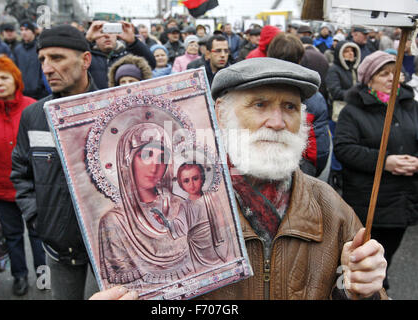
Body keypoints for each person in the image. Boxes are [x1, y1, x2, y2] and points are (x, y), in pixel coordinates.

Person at [93, 57, 388, 300]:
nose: (277, 122)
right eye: (260, 104)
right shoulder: (178, 206)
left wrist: (359, 291)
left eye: (290, 107)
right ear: (220, 114)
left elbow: (365, 291)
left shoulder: (329, 207)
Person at [11, 25, 98, 300]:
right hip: (58, 247)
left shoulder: (113, 108)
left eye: (57, 58)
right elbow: (20, 173)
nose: (47, 68)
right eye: (42, 60)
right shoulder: (34, 116)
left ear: (85, 60)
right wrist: (39, 219)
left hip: (111, 250)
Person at [333, 50, 418, 290]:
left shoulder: (411, 106)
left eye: (396, 73)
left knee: (385, 260)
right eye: (384, 73)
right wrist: (385, 161)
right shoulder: (353, 111)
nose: (393, 78)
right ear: (368, 79)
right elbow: (344, 149)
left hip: (403, 200)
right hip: (369, 201)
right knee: (363, 264)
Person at [0, 55, 45, 296]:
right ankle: (20, 276)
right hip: (1, 191)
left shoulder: (34, 107)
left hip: (34, 189)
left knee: (39, 234)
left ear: (15, 79)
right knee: (13, 236)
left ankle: (44, 276)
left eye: (4, 77)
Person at [98, 123, 191, 288]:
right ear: (128, 161)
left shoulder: (180, 205)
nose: (155, 167)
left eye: (162, 158)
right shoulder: (115, 221)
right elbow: (125, 288)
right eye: (147, 155)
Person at [267, 32, 330, 179]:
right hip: (299, 173)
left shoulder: (256, 91)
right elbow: (319, 150)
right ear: (301, 58)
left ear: (269, 55)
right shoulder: (314, 96)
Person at [325, 40, 361, 192]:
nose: (350, 54)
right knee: (337, 141)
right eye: (346, 51)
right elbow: (335, 91)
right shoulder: (334, 70)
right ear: (340, 54)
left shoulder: (356, 69)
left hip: (354, 111)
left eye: (352, 51)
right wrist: (357, 94)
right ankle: (336, 171)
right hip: (338, 113)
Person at [86, 20, 156, 90]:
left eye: (111, 32)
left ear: (116, 35)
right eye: (102, 32)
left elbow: (151, 64)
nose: (107, 36)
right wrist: (86, 39)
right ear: (94, 37)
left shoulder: (127, 54)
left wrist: (134, 42)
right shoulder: (87, 57)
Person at [13, 20, 49, 100]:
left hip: (40, 93)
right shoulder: (18, 50)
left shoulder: (41, 47)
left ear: (33, 32)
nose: (23, 32)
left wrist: (41, 86)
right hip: (23, 93)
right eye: (21, 30)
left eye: (26, 29)